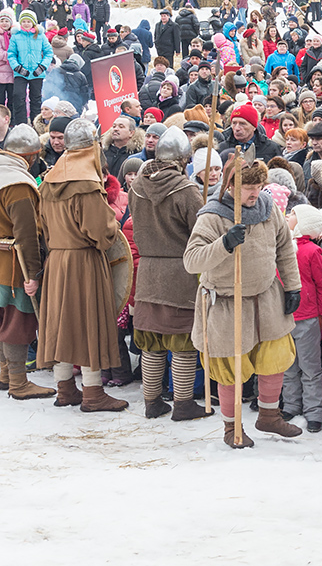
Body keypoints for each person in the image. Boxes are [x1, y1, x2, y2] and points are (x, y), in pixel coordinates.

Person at [184, 156, 304, 448]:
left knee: (274, 358)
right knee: (230, 369)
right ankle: (231, 427)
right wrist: (223, 244)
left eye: (258, 185)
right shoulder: (211, 216)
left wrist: (293, 286)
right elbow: (191, 261)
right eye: (247, 187)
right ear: (230, 185)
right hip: (227, 301)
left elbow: (285, 248)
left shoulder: (268, 208)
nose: (254, 192)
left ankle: (269, 416)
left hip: (266, 296)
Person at [36, 118, 129, 413]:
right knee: (89, 323)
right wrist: (113, 225)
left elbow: (43, 226)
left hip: (58, 259)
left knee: (63, 324)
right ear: (90, 147)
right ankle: (92, 392)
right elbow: (100, 233)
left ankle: (65, 388)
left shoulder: (50, 180)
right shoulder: (86, 184)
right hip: (83, 261)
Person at [128, 129, 214, 421]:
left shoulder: (137, 185)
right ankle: (183, 403)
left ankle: (152, 402)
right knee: (182, 344)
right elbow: (200, 232)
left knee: (152, 341)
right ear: (181, 159)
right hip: (180, 273)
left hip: (149, 272)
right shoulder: (186, 189)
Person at [0, 126, 50, 399]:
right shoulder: (17, 184)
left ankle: (4, 372)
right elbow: (27, 235)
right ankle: (18, 382)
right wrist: (33, 274)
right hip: (12, 264)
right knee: (16, 321)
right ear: (31, 157)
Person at [284, 204, 322, 431]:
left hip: (307, 316)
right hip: (284, 316)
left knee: (310, 366)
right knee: (288, 365)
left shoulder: (312, 251)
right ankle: (291, 405)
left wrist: (320, 314)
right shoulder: (281, 247)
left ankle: (315, 411)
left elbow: (320, 284)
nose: (288, 216)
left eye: (293, 214)